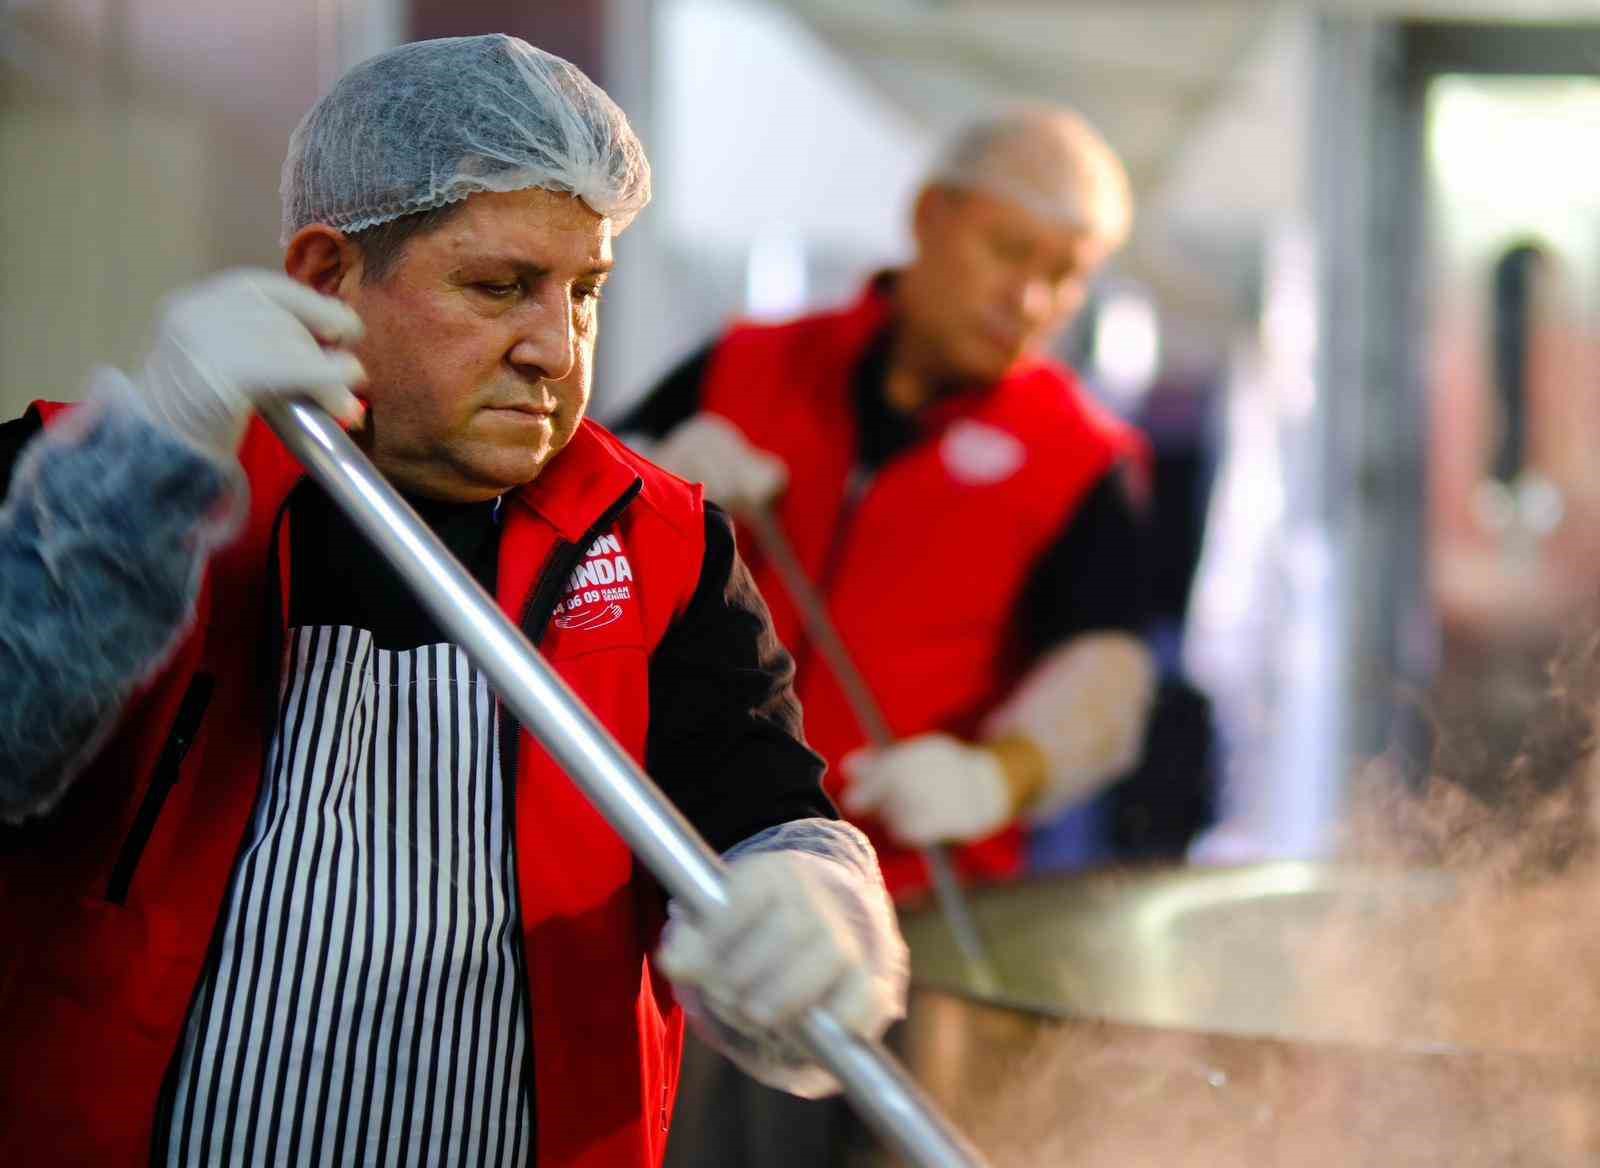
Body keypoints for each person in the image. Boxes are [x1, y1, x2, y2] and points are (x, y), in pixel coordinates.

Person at [0, 35, 906, 1168]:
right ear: (329, 276)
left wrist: (813, 911)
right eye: (499, 287)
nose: (556, 348)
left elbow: (768, 815)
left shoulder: (659, 546)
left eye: (584, 291)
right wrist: (143, 473)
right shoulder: (87, 482)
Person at [620, 106, 1158, 901]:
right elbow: (555, 523)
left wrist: (995, 779)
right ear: (928, 214)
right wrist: (650, 483)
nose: (1033, 300)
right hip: (669, 846)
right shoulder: (747, 364)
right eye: (1010, 252)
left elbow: (1106, 673)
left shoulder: (1083, 457)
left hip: (900, 901)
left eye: (1067, 275)